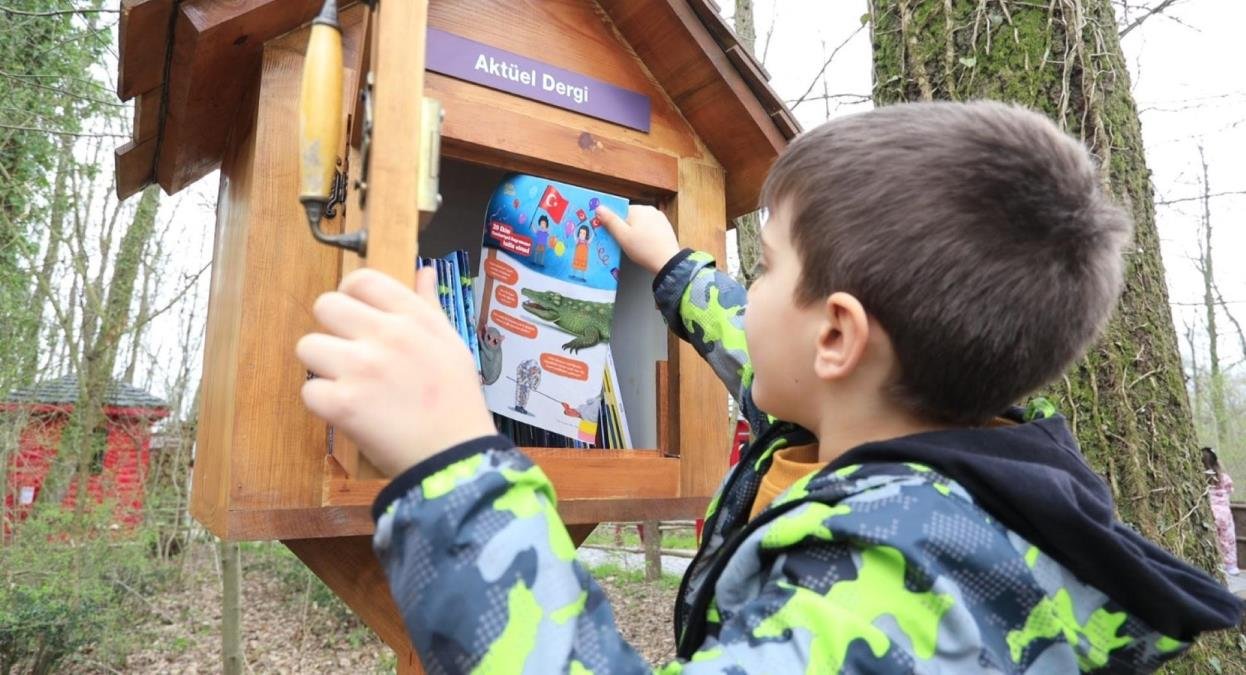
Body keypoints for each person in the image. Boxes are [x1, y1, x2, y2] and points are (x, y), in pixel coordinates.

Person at [295, 101, 1242, 673]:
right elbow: (768, 359)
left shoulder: (901, 591)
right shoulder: (922, 436)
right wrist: (672, 272)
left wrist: (455, 463)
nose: (745, 293)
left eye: (767, 266)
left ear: (837, 333)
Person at [1203, 446, 1239, 576]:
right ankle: (1230, 566)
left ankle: (1216, 565)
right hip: (1224, 513)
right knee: (1227, 538)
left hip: (1210, 511)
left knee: (1213, 538)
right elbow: (1230, 490)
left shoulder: (1202, 478)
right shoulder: (1224, 477)